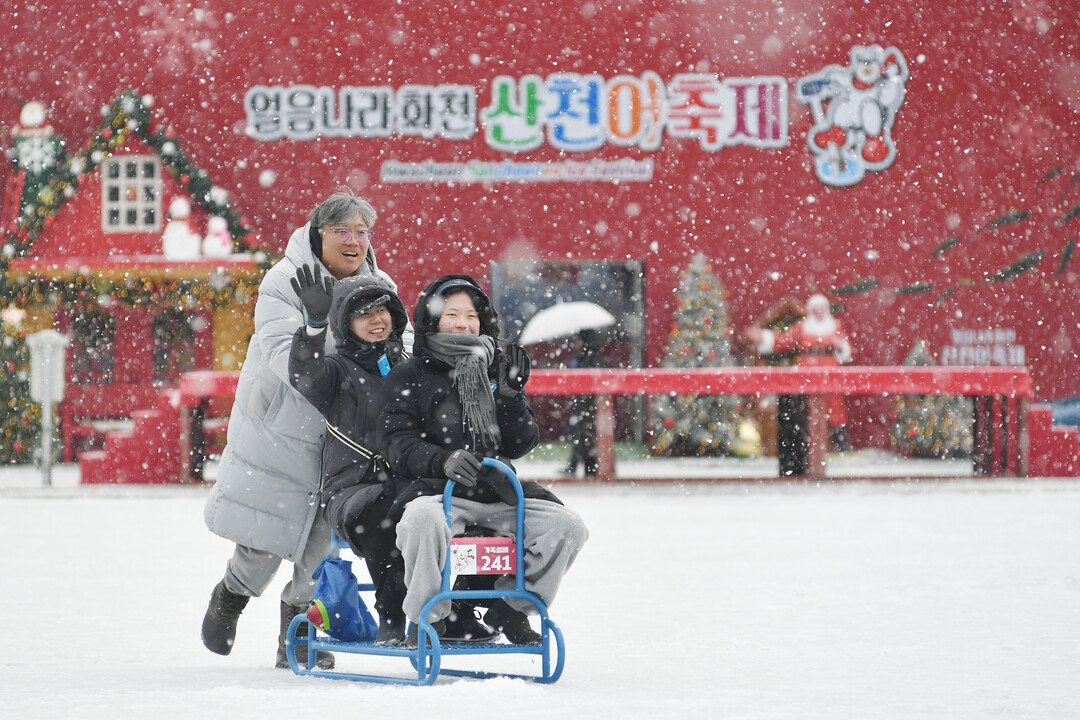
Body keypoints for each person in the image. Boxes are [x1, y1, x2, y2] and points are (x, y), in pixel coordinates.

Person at [201, 190, 404, 669]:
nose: (354, 241)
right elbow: (288, 361)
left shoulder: (381, 285)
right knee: (264, 539)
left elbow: (402, 346)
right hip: (281, 428)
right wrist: (328, 328)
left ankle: (296, 636)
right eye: (343, 231)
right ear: (319, 234)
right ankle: (230, 596)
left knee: (320, 542)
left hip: (345, 436)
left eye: (362, 232)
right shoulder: (284, 281)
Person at [286, 265, 494, 647]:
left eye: (382, 311)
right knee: (386, 513)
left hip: (411, 479)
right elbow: (305, 376)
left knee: (470, 507)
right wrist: (315, 326)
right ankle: (393, 614)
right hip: (352, 488)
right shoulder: (336, 371)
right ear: (346, 324)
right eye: (363, 314)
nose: (376, 320)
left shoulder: (410, 366)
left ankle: (460, 609)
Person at [377, 275, 589, 648]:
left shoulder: (496, 365)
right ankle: (428, 618)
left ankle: (510, 608)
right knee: (420, 521)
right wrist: (442, 460)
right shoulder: (408, 374)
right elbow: (397, 445)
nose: (463, 324)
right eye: (452, 314)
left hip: (497, 494)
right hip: (437, 493)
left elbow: (521, 443)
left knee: (567, 526)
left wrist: (510, 397)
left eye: (471, 315)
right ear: (433, 320)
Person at [746, 293, 853, 474]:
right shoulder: (802, 328)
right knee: (806, 409)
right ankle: (808, 448)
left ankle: (838, 443)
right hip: (807, 371)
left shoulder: (835, 326)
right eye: (815, 309)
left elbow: (846, 348)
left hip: (829, 370)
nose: (819, 312)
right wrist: (764, 337)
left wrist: (840, 346)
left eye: (822, 309)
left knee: (835, 408)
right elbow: (784, 340)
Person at [562, 328, 608, 478]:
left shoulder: (590, 357)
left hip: (589, 404)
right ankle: (589, 466)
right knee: (588, 435)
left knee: (585, 435)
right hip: (589, 404)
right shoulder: (592, 355)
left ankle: (582, 466)